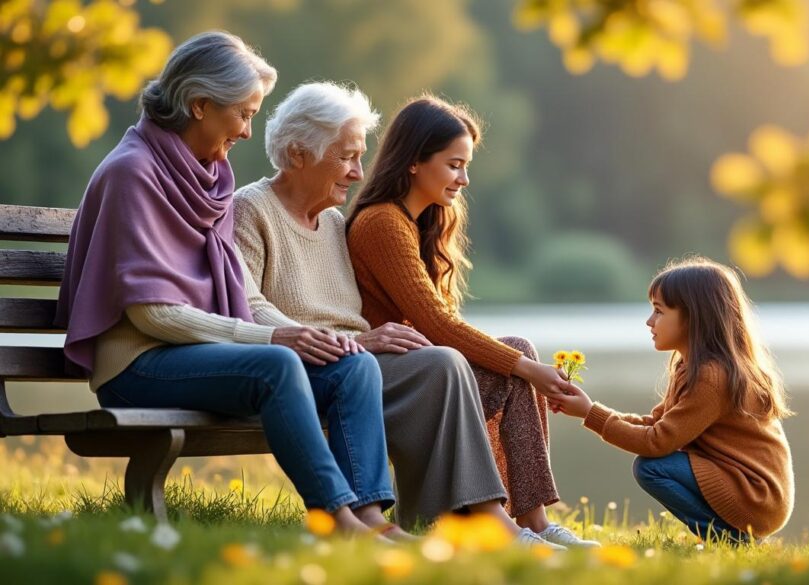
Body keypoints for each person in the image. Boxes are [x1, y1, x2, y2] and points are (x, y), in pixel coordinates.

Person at [55, 32, 397, 540]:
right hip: (139, 367)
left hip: (199, 357)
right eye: (243, 113)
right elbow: (152, 314)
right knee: (277, 363)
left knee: (353, 366)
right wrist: (275, 339)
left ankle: (371, 519)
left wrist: (303, 334)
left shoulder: (208, 175)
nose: (247, 131)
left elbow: (239, 293)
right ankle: (335, 518)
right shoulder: (133, 173)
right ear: (199, 104)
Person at [233, 81, 567, 548]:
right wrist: (361, 342)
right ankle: (485, 518)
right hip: (321, 366)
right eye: (347, 157)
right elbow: (247, 305)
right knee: (445, 361)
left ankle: (529, 520)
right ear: (299, 154)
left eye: (359, 157)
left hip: (362, 361)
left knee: (507, 354)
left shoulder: (332, 220)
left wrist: (369, 339)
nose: (356, 173)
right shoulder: (253, 209)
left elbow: (374, 315)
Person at [346, 95, 597, 548]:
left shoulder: (421, 223)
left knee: (517, 347)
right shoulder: (382, 222)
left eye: (466, 166)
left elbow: (440, 324)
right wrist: (529, 372)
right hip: (385, 377)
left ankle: (535, 522)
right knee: (515, 360)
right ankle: (492, 520)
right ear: (414, 163)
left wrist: (522, 364)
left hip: (424, 370)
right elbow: (436, 326)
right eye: (454, 165)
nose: (463, 179)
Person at [548, 257, 795, 543]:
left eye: (658, 311)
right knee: (654, 464)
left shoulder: (712, 377)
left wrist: (590, 414)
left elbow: (657, 442)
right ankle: (733, 536)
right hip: (749, 491)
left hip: (756, 496)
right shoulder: (692, 367)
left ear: (693, 317)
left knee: (651, 467)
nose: (649, 321)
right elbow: (657, 424)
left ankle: (730, 539)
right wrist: (588, 410)